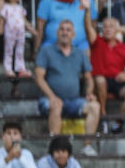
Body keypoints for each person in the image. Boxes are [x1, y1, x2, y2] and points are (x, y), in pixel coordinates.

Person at [34, 18, 101, 150]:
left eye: (68, 30)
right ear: (57, 33)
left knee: (95, 106)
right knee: (55, 105)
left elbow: (89, 78)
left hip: (73, 101)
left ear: (73, 34)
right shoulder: (46, 51)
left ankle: (87, 147)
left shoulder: (80, 54)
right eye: (62, 29)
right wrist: (52, 96)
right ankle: (55, 148)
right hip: (48, 100)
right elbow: (38, 77)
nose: (65, 32)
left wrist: (89, 93)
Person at [86, 16, 125, 133]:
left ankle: (119, 123)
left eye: (111, 26)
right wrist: (87, 11)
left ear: (117, 30)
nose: (107, 29)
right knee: (100, 80)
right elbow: (88, 27)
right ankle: (103, 117)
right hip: (98, 82)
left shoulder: (124, 48)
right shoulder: (97, 42)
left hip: (117, 81)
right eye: (104, 26)